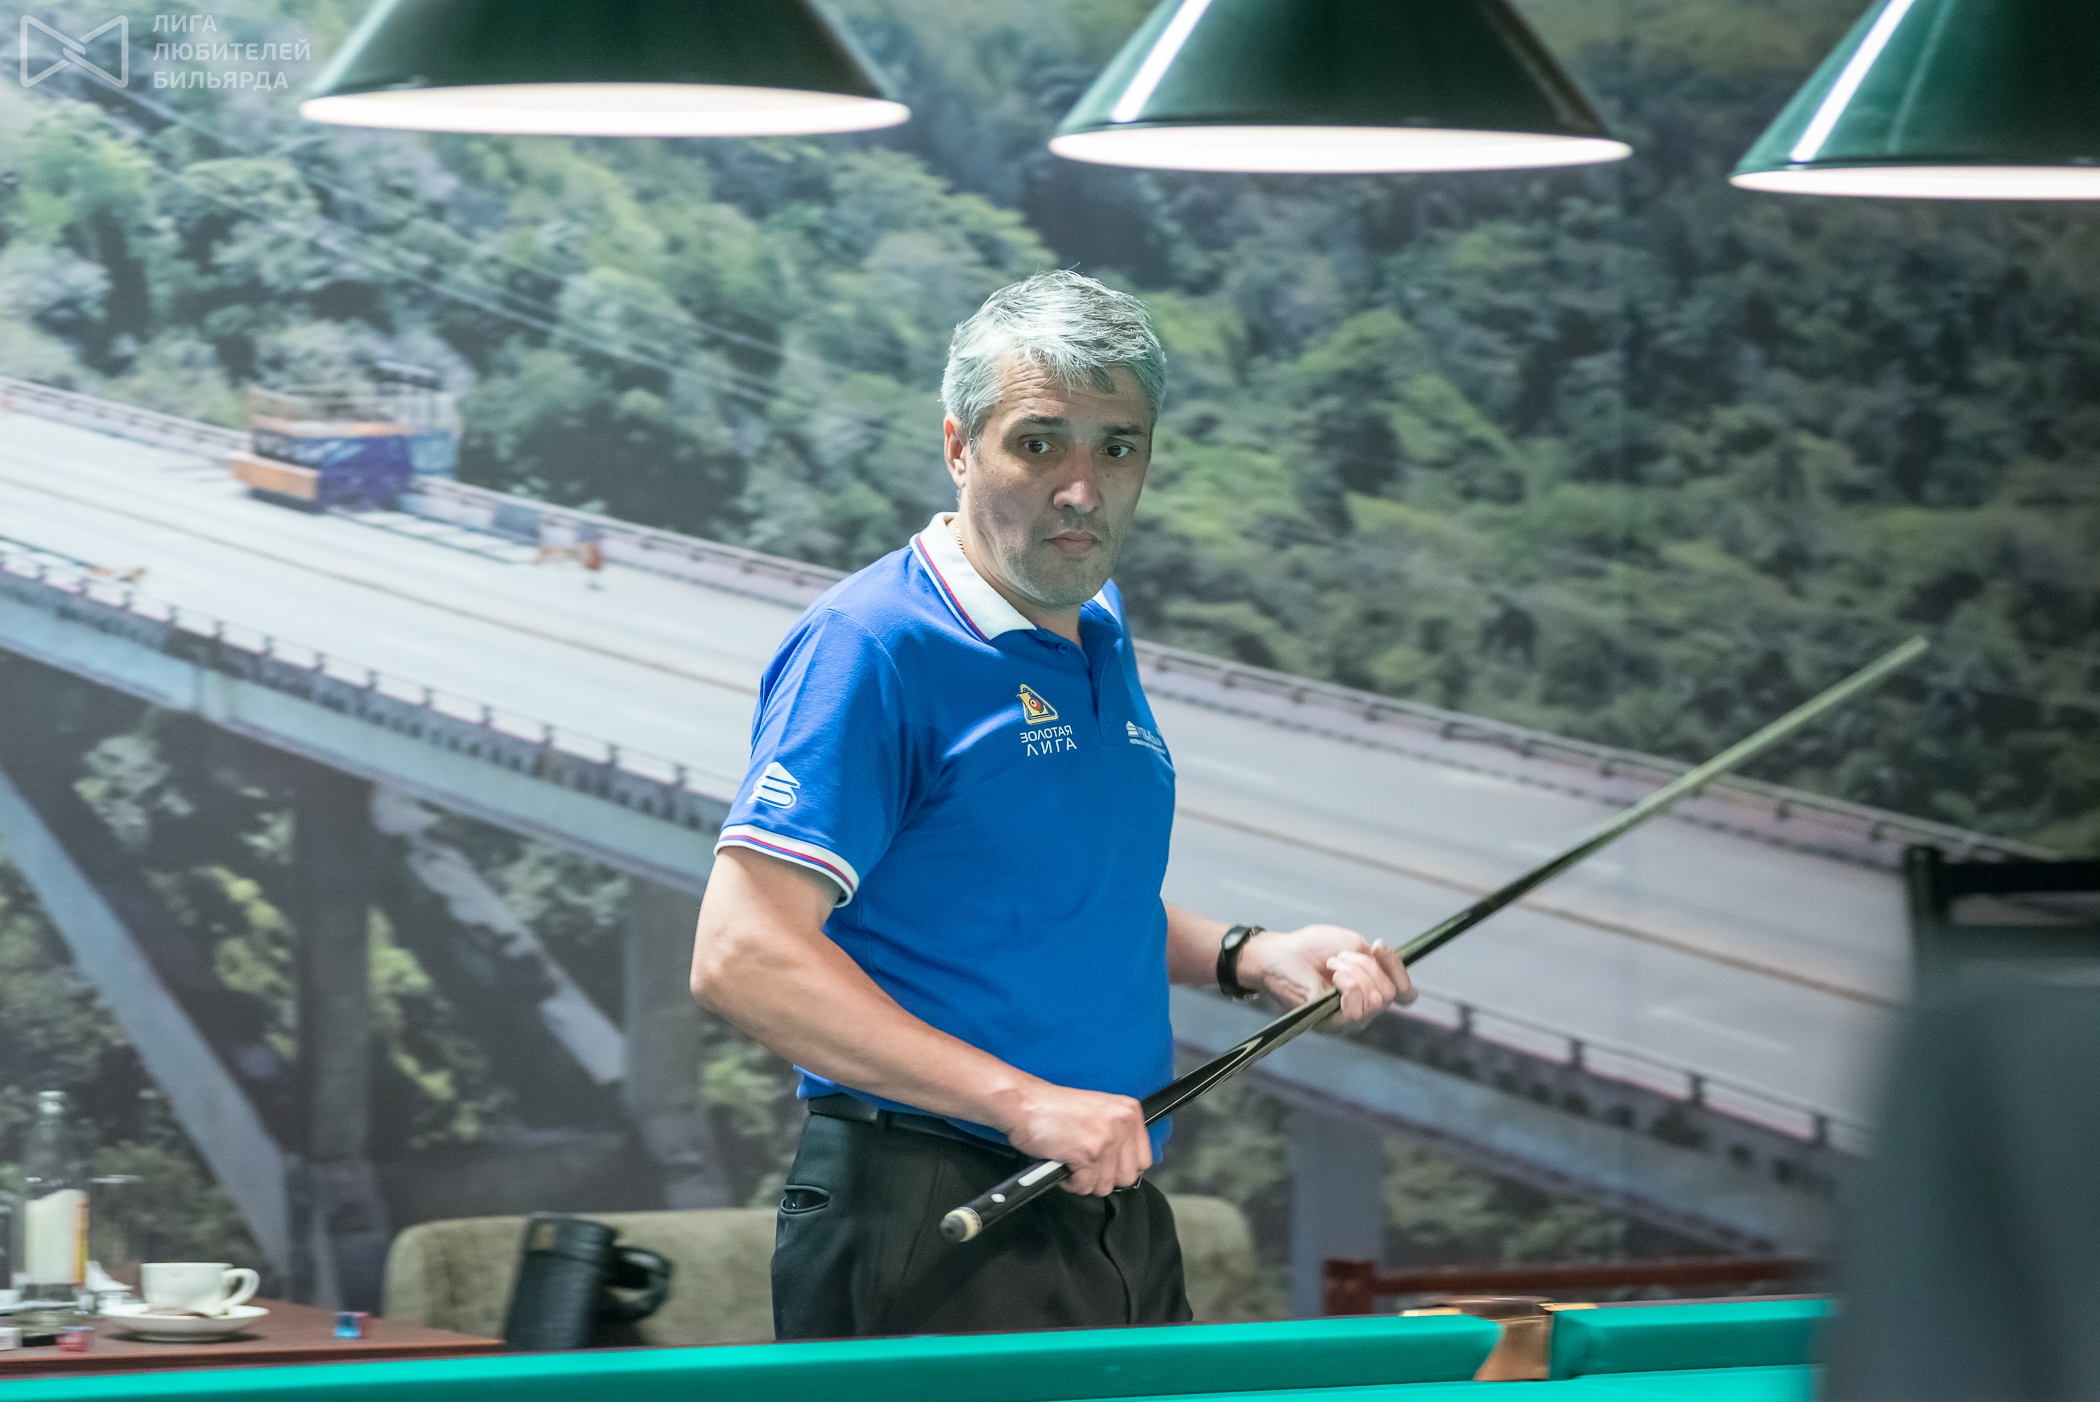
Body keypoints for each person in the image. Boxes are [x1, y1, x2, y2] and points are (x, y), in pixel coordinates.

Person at [690, 270, 1413, 1340]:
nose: (1082, 489)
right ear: (958, 446)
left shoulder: (1095, 621)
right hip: (932, 1209)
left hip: (1108, 1194)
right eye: (1039, 444)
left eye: (1117, 448)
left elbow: (1051, 898)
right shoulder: (872, 644)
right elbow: (740, 955)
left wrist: (1250, 954)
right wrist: (1022, 1103)